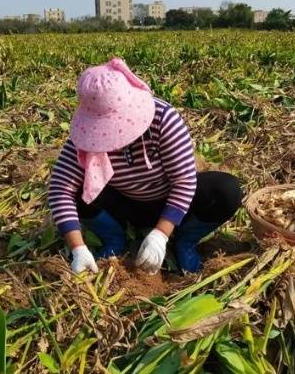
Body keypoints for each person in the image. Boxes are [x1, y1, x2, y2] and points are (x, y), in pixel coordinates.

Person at [48, 58, 242, 274]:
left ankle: (184, 241)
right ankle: (114, 239)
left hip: (169, 201)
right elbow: (59, 189)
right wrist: (78, 248)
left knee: (226, 190)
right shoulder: (85, 139)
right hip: (124, 205)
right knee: (78, 189)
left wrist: (161, 234)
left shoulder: (163, 119)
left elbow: (184, 180)